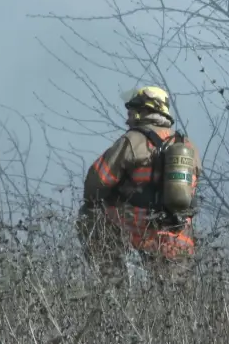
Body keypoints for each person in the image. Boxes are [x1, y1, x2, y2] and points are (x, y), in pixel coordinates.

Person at [76, 86, 201, 286]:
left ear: (142, 111)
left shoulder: (132, 141)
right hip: (177, 236)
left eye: (132, 110)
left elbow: (97, 182)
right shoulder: (188, 146)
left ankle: (115, 290)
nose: (128, 116)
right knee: (177, 299)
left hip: (136, 227)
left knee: (89, 216)